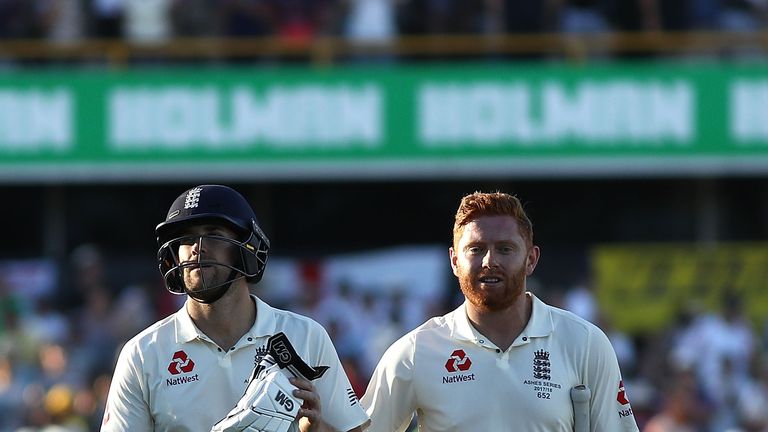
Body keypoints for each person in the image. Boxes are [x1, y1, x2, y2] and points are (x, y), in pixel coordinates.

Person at [360, 191, 639, 431]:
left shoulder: (585, 343)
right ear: (455, 261)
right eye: (476, 249)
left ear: (531, 259)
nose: (489, 261)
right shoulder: (415, 350)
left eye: (505, 249)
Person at [101, 184, 368, 432]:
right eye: (186, 238)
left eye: (213, 235)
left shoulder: (306, 336)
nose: (196, 248)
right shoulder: (143, 353)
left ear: (247, 249)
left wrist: (319, 430)